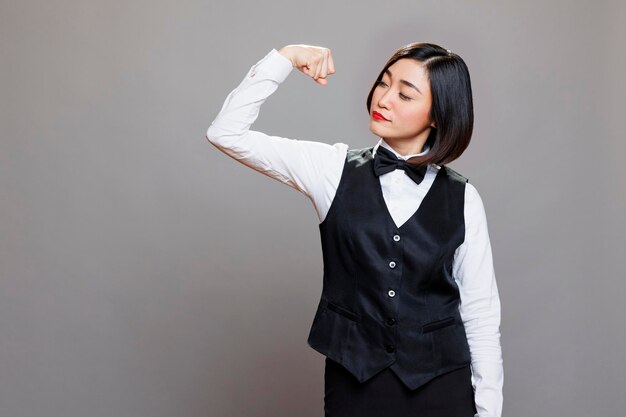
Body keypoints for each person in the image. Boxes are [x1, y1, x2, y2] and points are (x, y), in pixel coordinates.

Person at [206, 43, 503, 417]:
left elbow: (480, 314)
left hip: (443, 386)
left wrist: (489, 409)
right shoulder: (330, 170)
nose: (384, 98)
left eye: (405, 93)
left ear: (438, 116)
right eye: (384, 83)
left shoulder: (463, 198)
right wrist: (284, 58)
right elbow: (226, 133)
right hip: (356, 384)